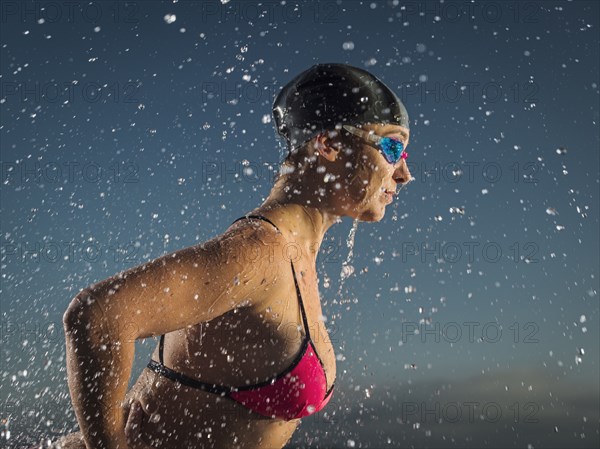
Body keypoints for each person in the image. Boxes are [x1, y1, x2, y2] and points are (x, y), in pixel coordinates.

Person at [51, 63, 412, 449]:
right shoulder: (259, 251)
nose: (404, 172)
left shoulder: (294, 252)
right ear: (329, 145)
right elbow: (99, 314)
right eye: (391, 147)